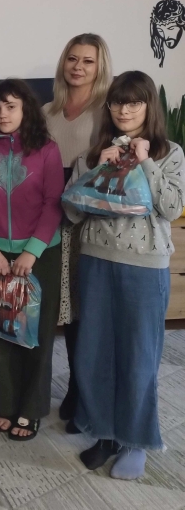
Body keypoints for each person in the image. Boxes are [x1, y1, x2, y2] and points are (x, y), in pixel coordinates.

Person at [63, 71, 185, 479]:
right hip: (96, 261)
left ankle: (136, 440)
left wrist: (145, 160)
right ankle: (105, 433)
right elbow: (72, 212)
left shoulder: (170, 154)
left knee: (138, 357)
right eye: (117, 102)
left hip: (145, 267)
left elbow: (171, 208)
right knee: (94, 352)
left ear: (149, 106)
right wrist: (96, 168)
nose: (124, 110)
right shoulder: (93, 154)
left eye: (134, 102)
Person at [0, 79, 64, 442]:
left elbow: (53, 203)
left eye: (10, 106)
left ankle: (32, 409)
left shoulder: (47, 149)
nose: (2, 114)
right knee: (2, 332)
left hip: (41, 255)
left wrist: (31, 251)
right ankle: (6, 404)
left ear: (26, 110)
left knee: (37, 335)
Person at [43, 33, 112, 431]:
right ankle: (74, 385)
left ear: (100, 66)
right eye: (72, 58)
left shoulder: (107, 111)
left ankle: (85, 391)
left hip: (90, 221)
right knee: (66, 309)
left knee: (89, 309)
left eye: (88, 61)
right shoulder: (46, 111)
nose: (78, 67)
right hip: (52, 218)